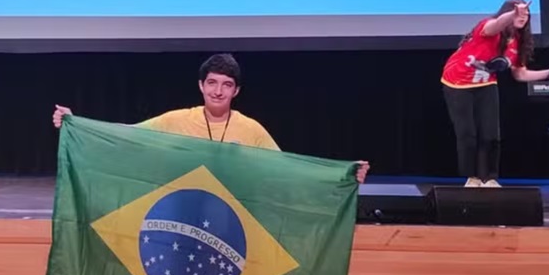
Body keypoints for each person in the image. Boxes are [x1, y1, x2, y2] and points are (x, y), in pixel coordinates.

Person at [53, 53, 370, 183]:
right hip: (183, 213)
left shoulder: (250, 129)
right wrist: (77, 122)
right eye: (213, 83)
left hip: (234, 216)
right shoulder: (176, 119)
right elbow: (127, 133)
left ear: (236, 91)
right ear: (201, 86)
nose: (219, 91)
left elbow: (287, 168)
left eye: (227, 85)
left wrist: (342, 175)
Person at [441, 0, 549, 188]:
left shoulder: (518, 42)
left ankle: (490, 178)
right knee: (468, 133)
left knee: (491, 134)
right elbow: (498, 24)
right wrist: (513, 14)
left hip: (486, 83)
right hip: (457, 82)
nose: (522, 18)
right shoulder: (488, 27)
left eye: (526, 16)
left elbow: (520, 74)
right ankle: (472, 177)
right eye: (519, 14)